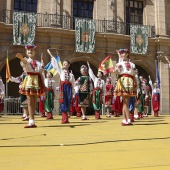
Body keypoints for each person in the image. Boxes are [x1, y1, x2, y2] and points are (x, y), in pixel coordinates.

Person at [16, 45, 45, 128]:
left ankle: (32, 121)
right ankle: (31, 121)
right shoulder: (25, 60)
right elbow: (25, 64)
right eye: (28, 51)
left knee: (34, 101)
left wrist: (44, 85)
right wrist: (21, 58)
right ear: (26, 52)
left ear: (35, 52)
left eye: (32, 50)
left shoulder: (39, 63)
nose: (30, 52)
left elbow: (41, 74)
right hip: (29, 80)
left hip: (36, 81)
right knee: (29, 101)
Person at [47, 49, 75, 123]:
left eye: (66, 63)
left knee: (68, 101)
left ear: (69, 65)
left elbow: (73, 84)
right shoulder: (61, 71)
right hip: (63, 88)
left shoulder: (71, 75)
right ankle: (64, 119)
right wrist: (51, 55)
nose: (64, 64)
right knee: (63, 101)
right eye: (64, 63)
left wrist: (73, 93)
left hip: (69, 88)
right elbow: (56, 64)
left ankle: (66, 117)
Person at [114, 49, 137, 125]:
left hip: (129, 81)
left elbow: (134, 75)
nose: (121, 54)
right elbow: (116, 72)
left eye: (123, 53)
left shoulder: (132, 64)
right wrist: (115, 70)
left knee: (125, 101)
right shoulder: (120, 63)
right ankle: (128, 119)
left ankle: (124, 119)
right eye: (121, 54)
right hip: (123, 81)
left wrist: (136, 83)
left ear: (127, 54)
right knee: (125, 101)